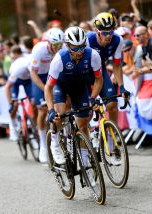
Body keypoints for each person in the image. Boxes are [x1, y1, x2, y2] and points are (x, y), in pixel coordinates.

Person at [44, 26, 103, 165]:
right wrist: (51, 109)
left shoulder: (93, 55)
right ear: (68, 45)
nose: (79, 51)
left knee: (83, 126)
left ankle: (85, 163)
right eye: (75, 48)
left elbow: (99, 79)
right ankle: (54, 141)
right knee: (60, 115)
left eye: (82, 47)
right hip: (61, 86)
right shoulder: (59, 59)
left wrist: (93, 97)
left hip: (79, 87)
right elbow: (48, 87)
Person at [86, 12, 130, 125]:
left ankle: (111, 138)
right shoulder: (88, 40)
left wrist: (122, 87)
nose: (109, 35)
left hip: (100, 72)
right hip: (83, 74)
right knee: (86, 113)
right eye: (105, 33)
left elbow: (117, 65)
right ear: (97, 31)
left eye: (111, 31)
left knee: (112, 105)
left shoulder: (117, 40)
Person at [30, 28, 64, 163]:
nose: (58, 48)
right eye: (55, 45)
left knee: (61, 105)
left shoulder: (62, 48)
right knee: (43, 110)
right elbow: (33, 73)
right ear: (48, 43)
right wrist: (44, 88)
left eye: (60, 45)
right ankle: (43, 147)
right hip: (39, 76)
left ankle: (60, 137)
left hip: (53, 75)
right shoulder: (39, 50)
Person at [5, 46, 34, 142]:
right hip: (16, 80)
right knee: (15, 105)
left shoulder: (31, 61)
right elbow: (7, 87)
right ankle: (13, 127)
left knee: (33, 101)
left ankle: (32, 127)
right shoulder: (18, 69)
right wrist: (11, 103)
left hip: (28, 80)